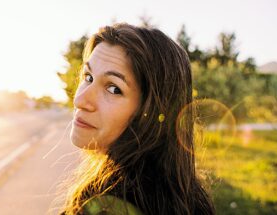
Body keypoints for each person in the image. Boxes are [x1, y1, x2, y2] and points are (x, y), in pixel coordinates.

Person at [60, 23, 215, 215]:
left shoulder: (108, 205)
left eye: (113, 88)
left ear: (152, 111)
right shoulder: (186, 197)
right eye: (88, 77)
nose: (80, 100)